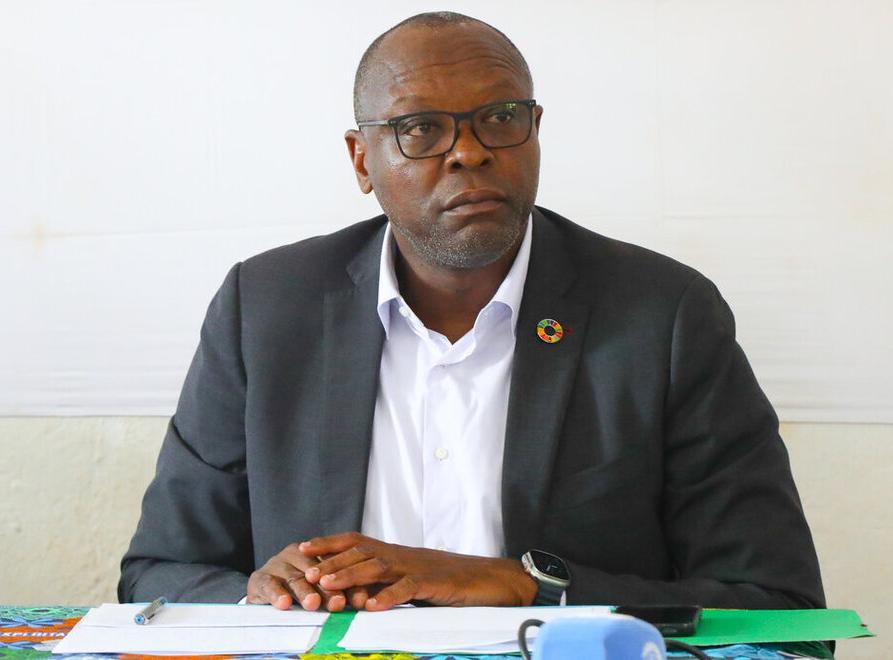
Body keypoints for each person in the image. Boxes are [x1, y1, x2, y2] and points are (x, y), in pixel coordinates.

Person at [119, 12, 825, 613]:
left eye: (500, 119)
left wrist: (525, 585)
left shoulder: (663, 316)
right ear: (362, 161)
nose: (468, 152)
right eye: (420, 129)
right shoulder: (266, 309)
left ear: (536, 129)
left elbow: (777, 603)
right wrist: (258, 595)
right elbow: (158, 574)